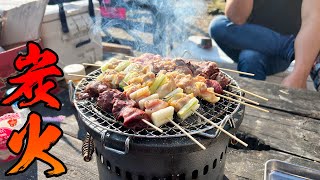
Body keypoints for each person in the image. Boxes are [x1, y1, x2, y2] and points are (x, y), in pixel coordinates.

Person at [208, 0, 320, 91]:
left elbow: (313, 19)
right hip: (245, 40)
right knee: (218, 26)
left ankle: (291, 49)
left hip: (278, 58)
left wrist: (299, 74)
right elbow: (236, 18)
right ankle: (290, 48)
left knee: (250, 57)